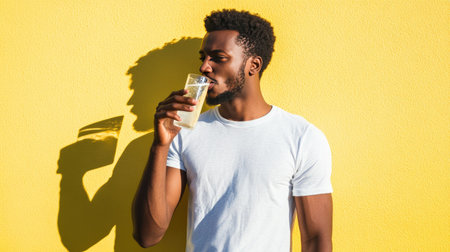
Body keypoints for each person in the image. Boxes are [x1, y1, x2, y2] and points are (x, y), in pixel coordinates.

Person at [132, 9, 333, 252]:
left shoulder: (302, 137)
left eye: (218, 57)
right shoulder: (185, 131)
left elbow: (316, 241)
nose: (204, 67)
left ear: (253, 65)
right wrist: (160, 145)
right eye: (203, 57)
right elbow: (148, 235)